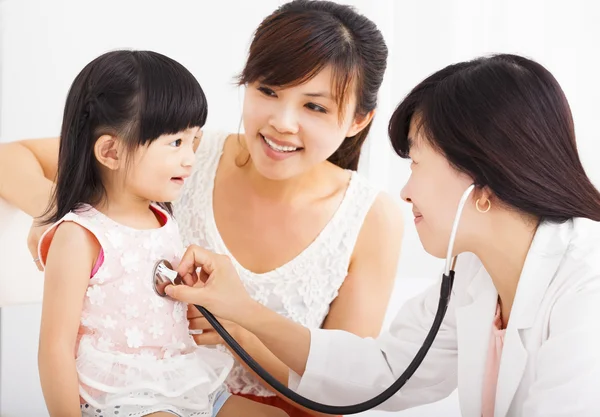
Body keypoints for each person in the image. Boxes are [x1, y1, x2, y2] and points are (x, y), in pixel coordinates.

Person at [0, 1, 403, 416]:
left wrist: (240, 334)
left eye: (314, 106)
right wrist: (64, 214)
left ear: (358, 120)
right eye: (267, 90)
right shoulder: (179, 157)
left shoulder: (371, 218)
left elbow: (337, 398)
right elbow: (9, 160)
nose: (283, 122)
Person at [164, 54, 600, 417]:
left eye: (416, 163)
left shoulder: (587, 284)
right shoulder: (474, 271)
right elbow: (385, 371)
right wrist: (242, 312)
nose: (406, 193)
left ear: (481, 180)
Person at [30, 50, 287, 417]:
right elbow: (54, 348)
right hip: (125, 396)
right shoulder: (79, 237)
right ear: (111, 151)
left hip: (185, 380)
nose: (190, 159)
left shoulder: (163, 218)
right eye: (175, 143)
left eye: (193, 140)